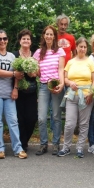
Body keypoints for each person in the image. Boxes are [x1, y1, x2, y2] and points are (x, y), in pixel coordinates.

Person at [0, 30, 27, 159]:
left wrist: (15, 88)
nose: (2, 41)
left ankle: (18, 149)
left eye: (4, 38)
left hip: (9, 94)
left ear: (7, 40)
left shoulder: (12, 57)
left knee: (13, 121)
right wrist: (14, 74)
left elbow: (18, 75)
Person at [57, 37, 94, 158]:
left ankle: (80, 148)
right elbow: (65, 78)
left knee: (84, 123)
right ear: (77, 47)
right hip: (72, 95)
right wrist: (69, 83)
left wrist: (91, 92)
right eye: (81, 47)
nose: (83, 49)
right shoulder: (70, 62)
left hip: (86, 96)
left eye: (85, 47)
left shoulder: (90, 62)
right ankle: (66, 147)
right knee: (70, 123)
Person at [33, 25, 65, 156]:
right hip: (44, 86)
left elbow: (61, 69)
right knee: (41, 117)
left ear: (54, 37)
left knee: (56, 116)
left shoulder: (60, 52)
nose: (49, 36)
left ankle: (56, 144)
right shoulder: (38, 53)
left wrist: (62, 84)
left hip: (56, 85)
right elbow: (37, 72)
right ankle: (43, 144)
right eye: (47, 34)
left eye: (51, 34)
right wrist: (33, 70)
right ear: (43, 36)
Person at [12, 29, 38, 152]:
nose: (26, 41)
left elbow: (38, 73)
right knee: (20, 118)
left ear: (31, 41)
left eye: (28, 39)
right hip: (19, 91)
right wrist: (15, 89)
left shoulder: (35, 55)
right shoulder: (14, 55)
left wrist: (33, 73)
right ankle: (22, 144)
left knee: (32, 118)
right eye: (23, 39)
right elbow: (15, 74)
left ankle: (25, 140)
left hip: (32, 91)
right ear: (20, 41)